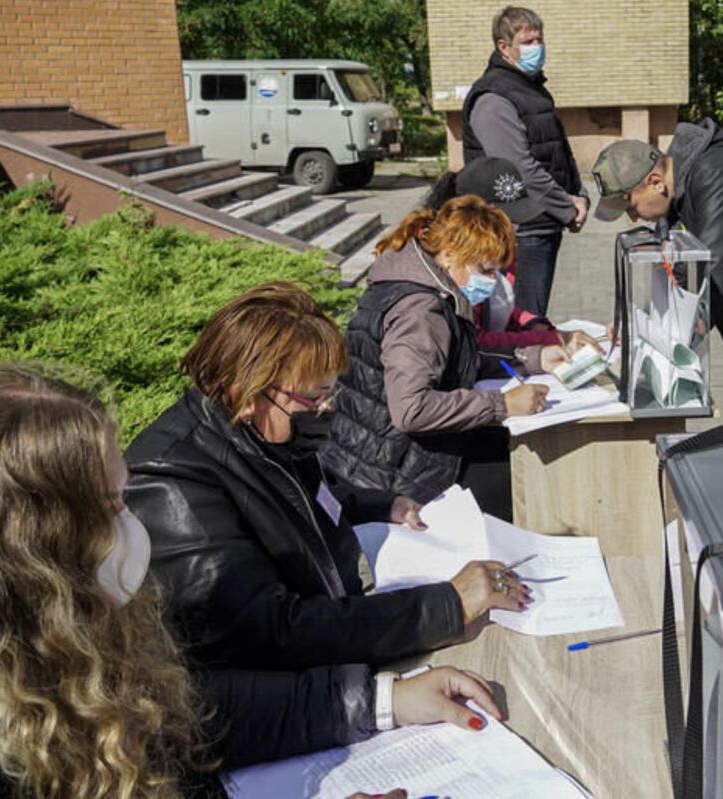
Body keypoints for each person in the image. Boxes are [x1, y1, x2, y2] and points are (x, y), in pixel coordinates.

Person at [125, 283, 512, 768]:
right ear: (249, 390)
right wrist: (444, 605)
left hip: (331, 668)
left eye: (331, 393)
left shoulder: (264, 434)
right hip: (278, 720)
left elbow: (311, 496)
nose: (328, 411)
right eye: (313, 398)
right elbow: (271, 630)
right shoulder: (170, 482)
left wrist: (378, 502)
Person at [0, 364, 205, 798]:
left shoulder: (57, 638)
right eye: (108, 504)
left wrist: (333, 700)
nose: (130, 521)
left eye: (124, 494)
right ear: (21, 548)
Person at [322, 196, 568, 519]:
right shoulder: (420, 310)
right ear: (451, 254)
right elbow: (411, 410)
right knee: (513, 478)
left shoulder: (433, 288)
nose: (492, 282)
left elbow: (460, 356)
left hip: (394, 455)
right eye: (485, 270)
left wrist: (535, 358)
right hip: (390, 472)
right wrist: (502, 405)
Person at [590, 120, 723, 424]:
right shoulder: (677, 193)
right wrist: (636, 321)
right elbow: (673, 273)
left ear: (655, 182)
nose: (632, 217)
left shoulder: (718, 174)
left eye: (631, 207)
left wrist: (653, 340)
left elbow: (708, 279)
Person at [461, 5, 590, 316]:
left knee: (533, 315)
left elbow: (559, 151)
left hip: (543, 224)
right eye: (528, 42)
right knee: (520, 321)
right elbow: (519, 168)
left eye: (540, 40)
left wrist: (581, 195)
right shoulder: (494, 97)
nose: (538, 48)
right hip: (519, 229)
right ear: (504, 47)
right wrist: (566, 206)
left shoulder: (532, 90)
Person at [423, 156, 605, 354]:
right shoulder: (446, 272)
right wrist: (548, 340)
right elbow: (477, 340)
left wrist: (531, 323)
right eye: (506, 219)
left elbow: (495, 305)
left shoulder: (487, 253)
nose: (514, 228)